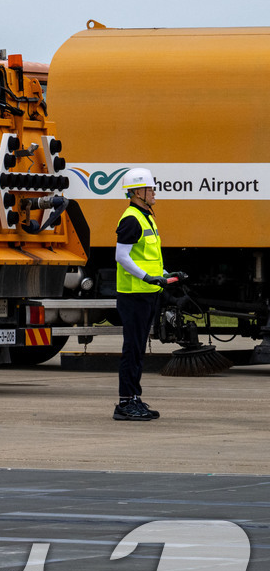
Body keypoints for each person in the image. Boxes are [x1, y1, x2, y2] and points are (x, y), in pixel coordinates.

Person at [112, 167, 166, 422]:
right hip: (134, 294)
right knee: (132, 349)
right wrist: (147, 278)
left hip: (147, 292)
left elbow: (146, 258)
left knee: (138, 349)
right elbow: (121, 257)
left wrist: (164, 274)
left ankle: (134, 398)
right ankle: (124, 402)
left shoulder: (147, 217)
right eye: (150, 188)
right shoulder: (131, 218)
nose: (154, 192)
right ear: (136, 192)